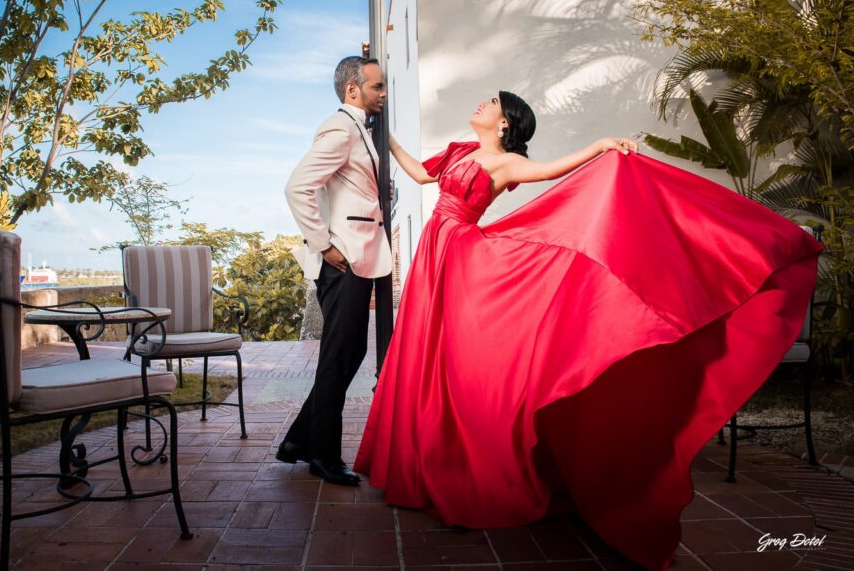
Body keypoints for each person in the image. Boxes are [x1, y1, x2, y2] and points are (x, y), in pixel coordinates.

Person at [354, 90, 821, 570]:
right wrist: (384, 135)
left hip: (466, 256)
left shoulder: (506, 164)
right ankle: (425, 453)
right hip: (439, 251)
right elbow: (420, 174)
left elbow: (557, 173)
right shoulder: (460, 152)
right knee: (430, 351)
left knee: (465, 355)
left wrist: (599, 147)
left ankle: (471, 456)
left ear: (505, 123)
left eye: (490, 102)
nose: (479, 104)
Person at [280, 56, 392, 486]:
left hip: (362, 254)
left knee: (348, 355)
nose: (383, 94)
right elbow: (297, 187)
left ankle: (299, 443)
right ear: (352, 90)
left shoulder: (363, 130)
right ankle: (323, 456)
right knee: (338, 359)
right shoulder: (340, 128)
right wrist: (322, 244)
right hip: (343, 257)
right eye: (377, 87)